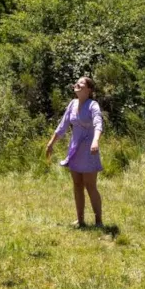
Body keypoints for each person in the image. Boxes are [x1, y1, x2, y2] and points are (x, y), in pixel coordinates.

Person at [46, 76, 103, 227]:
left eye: (81, 83)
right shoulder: (72, 104)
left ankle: (98, 222)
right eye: (77, 83)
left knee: (90, 185)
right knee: (77, 184)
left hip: (90, 150)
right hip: (75, 149)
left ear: (89, 90)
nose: (77, 84)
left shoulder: (93, 105)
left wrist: (95, 140)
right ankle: (81, 220)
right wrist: (51, 143)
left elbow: (98, 123)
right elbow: (62, 125)